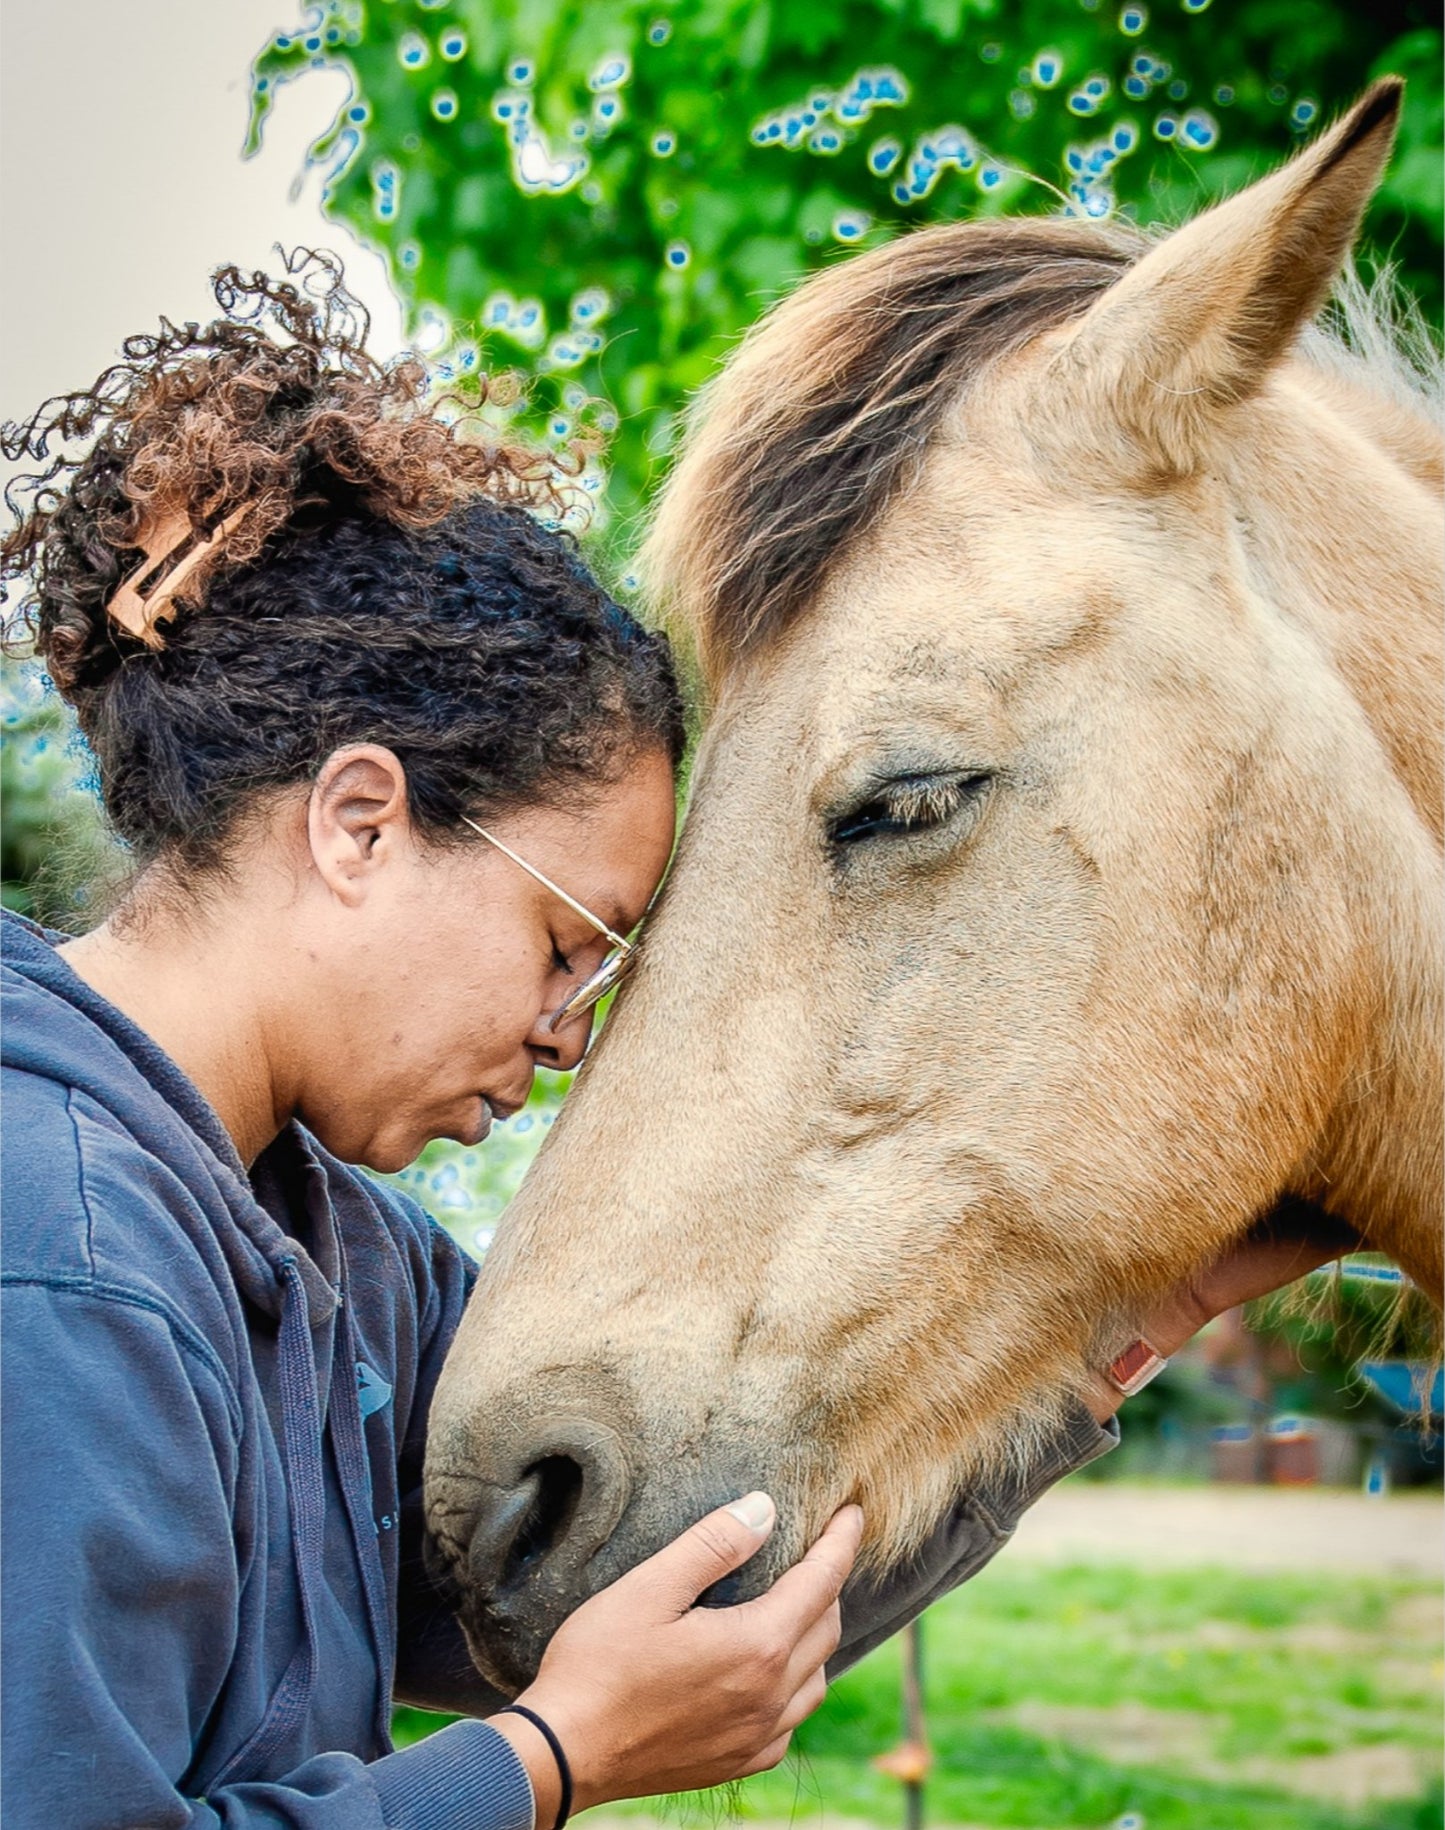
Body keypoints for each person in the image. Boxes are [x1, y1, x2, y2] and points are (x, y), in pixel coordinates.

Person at [0, 259, 1349, 1830]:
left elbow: (642, 1585)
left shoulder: (334, 1243)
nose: (568, 1037)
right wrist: (548, 1764)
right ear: (360, 823)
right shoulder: (64, 1261)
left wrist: (1147, 1304)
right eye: (568, 942)